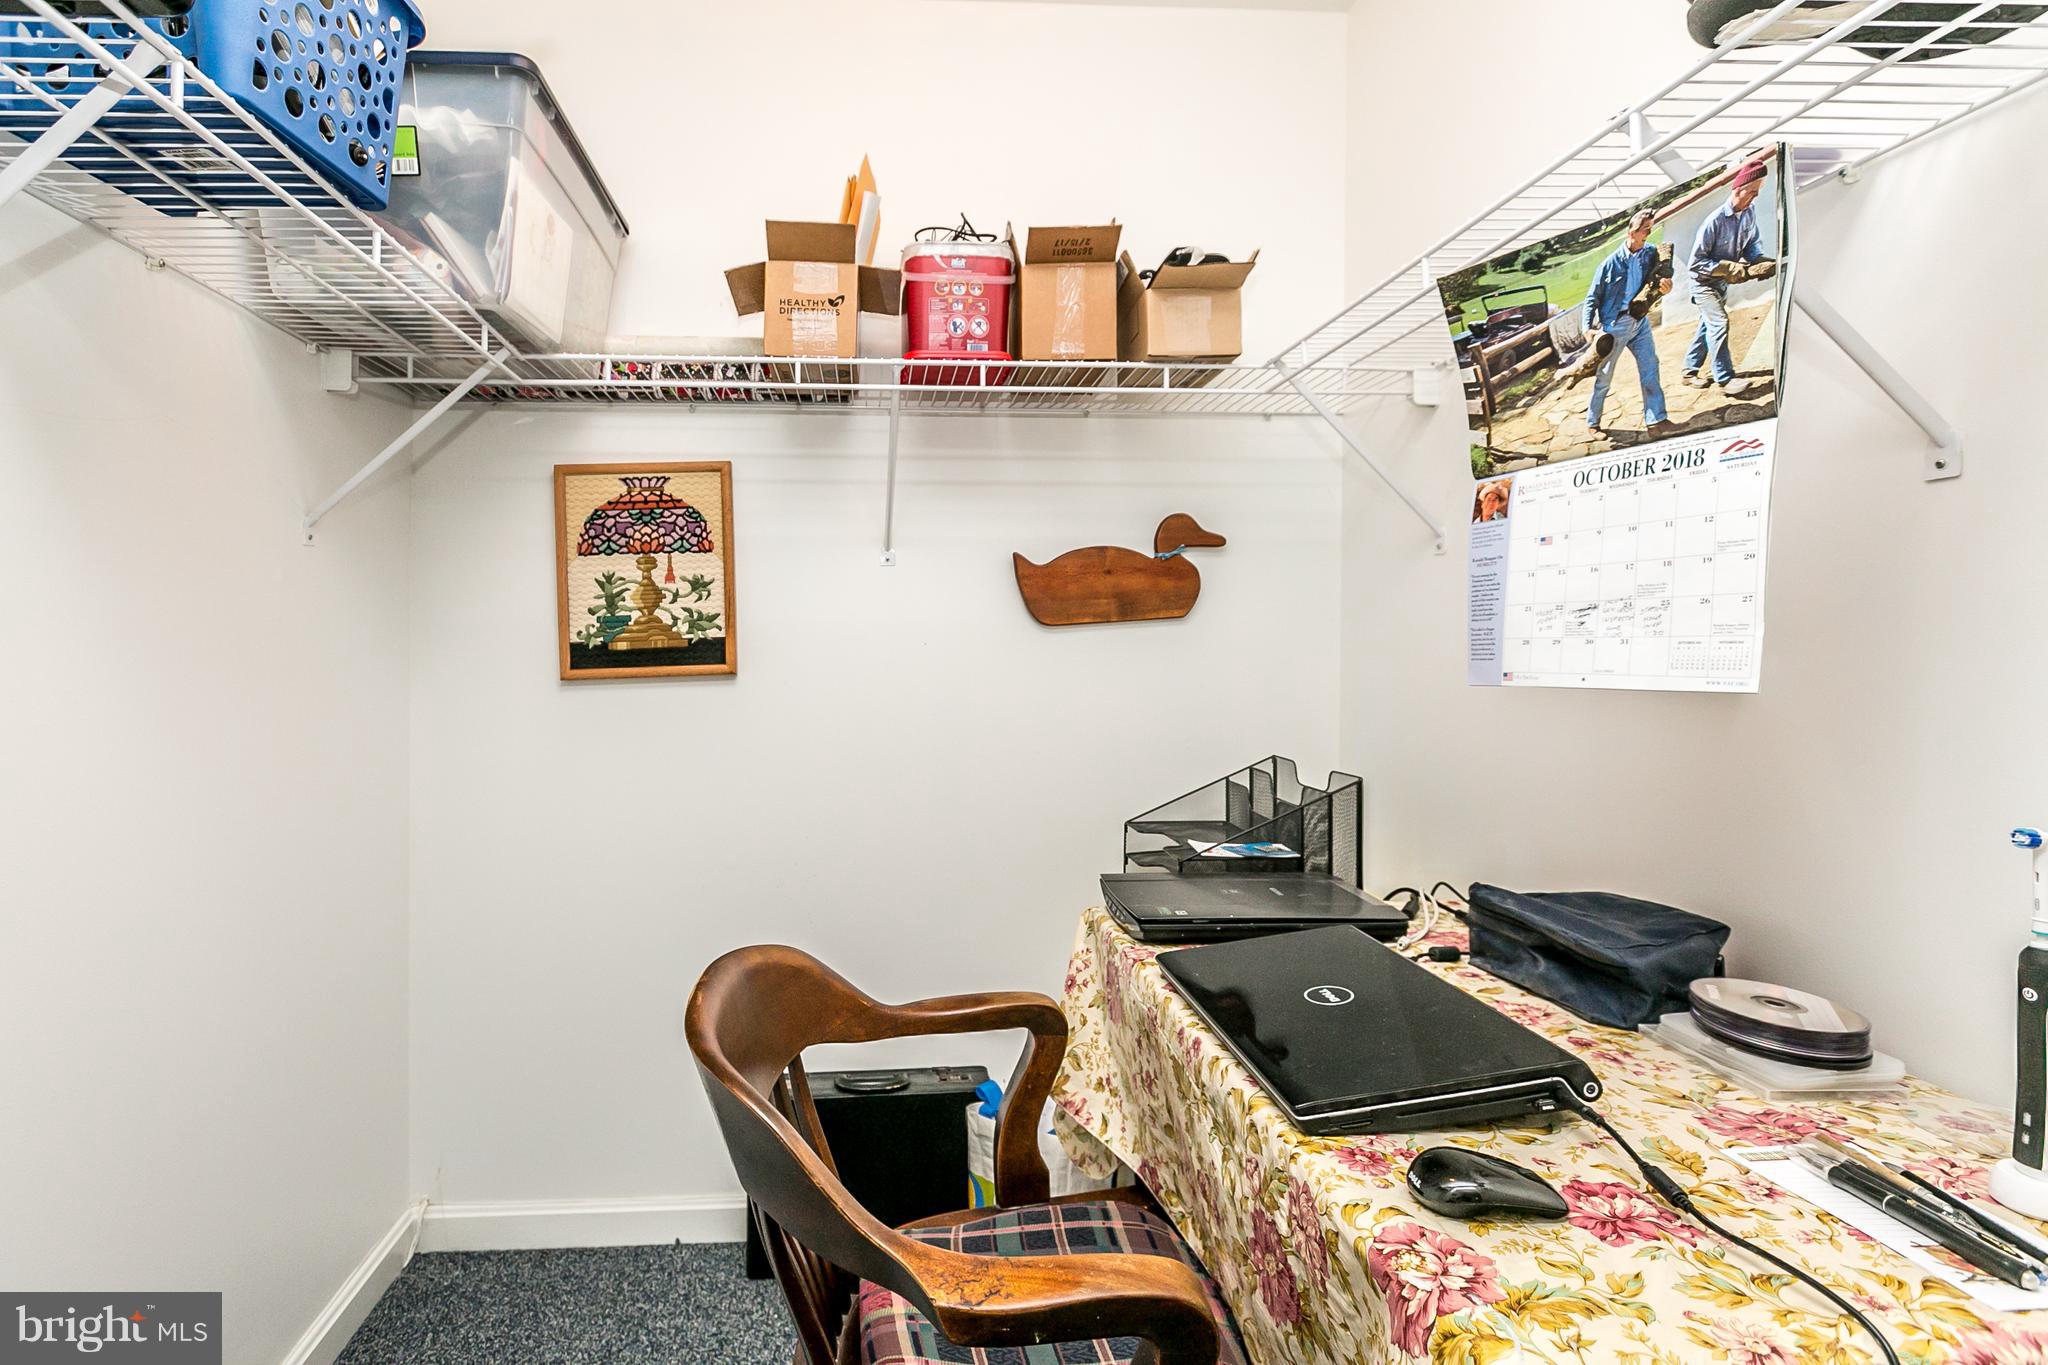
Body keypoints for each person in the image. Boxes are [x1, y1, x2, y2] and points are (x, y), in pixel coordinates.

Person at [1682, 158, 1779, 393]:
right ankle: (1725, 379)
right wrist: (1726, 267)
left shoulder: (1749, 212)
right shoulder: (1713, 222)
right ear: (1738, 189)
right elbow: (1695, 264)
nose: (1755, 197)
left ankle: (1689, 371)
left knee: (1708, 325)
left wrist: (1759, 261)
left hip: (1721, 284)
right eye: (1752, 192)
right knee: (1719, 322)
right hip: (1702, 283)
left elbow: (1752, 243)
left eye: (1758, 192)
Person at [1580, 209, 1673, 437]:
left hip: (1639, 321)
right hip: (1614, 325)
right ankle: (1593, 423)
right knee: (1605, 376)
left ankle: (1656, 421)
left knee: (1650, 367)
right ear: (1631, 231)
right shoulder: (1608, 264)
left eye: (1651, 229)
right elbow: (1592, 297)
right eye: (1645, 230)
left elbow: (1661, 277)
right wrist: (1587, 328)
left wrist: (1667, 285)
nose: (1648, 234)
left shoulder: (1651, 253)